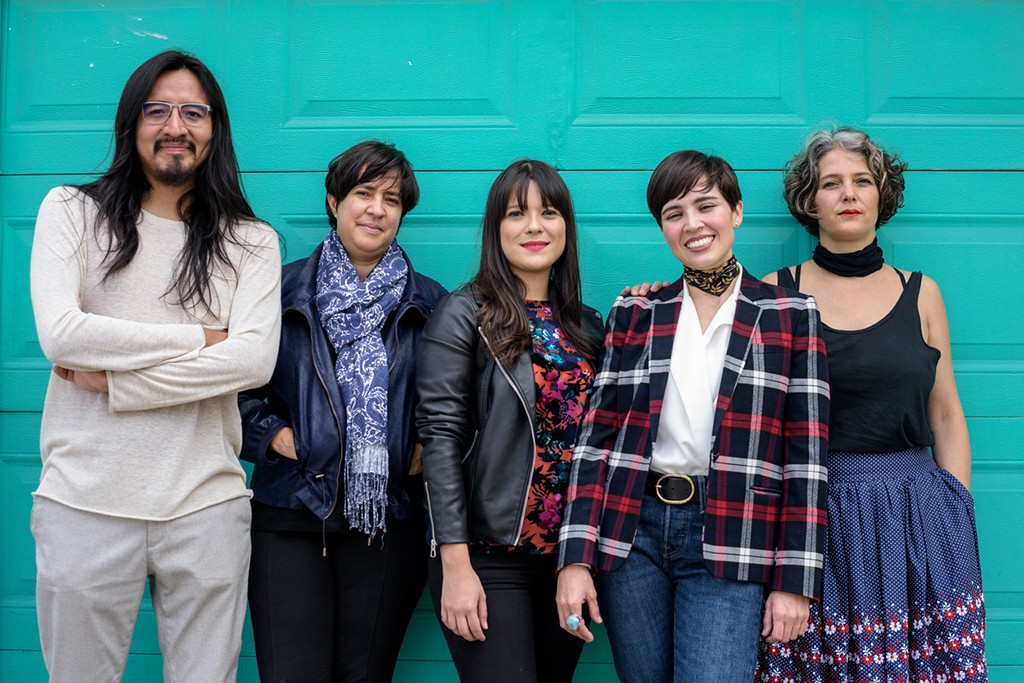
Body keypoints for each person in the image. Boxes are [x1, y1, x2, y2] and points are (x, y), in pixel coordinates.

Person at [29, 50, 281, 682]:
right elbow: (62, 336)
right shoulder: (71, 211)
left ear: (215, 128)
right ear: (131, 122)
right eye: (158, 109)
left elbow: (252, 360)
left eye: (193, 112)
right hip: (83, 503)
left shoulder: (251, 241)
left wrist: (115, 382)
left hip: (206, 505)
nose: (176, 125)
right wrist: (202, 337)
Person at [556, 150, 830, 682]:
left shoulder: (792, 314)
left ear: (737, 211)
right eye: (674, 213)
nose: (693, 224)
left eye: (706, 206)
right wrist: (574, 558)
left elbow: (807, 457)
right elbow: (597, 443)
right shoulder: (635, 314)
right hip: (633, 534)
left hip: (732, 531)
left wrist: (795, 580)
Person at [757, 127, 987, 681]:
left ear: (883, 193)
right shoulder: (777, 293)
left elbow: (946, 412)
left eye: (862, 180)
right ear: (809, 201)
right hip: (818, 515)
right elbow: (757, 426)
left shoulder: (922, 292)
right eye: (831, 183)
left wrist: (953, 506)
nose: (848, 193)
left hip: (917, 515)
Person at [238, 140, 446, 682]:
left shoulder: (431, 304)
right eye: (363, 193)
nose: (377, 208)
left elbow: (457, 403)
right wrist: (276, 437)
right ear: (334, 201)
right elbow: (228, 388)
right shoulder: (277, 292)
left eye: (392, 199)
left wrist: (424, 449)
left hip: (388, 520)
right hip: (288, 513)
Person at [415, 159, 603, 682]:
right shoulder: (462, 313)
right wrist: (455, 565)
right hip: (487, 556)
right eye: (517, 214)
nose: (535, 227)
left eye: (549, 212)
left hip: (567, 562)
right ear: (496, 229)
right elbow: (440, 439)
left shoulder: (588, 325)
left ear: (566, 224)